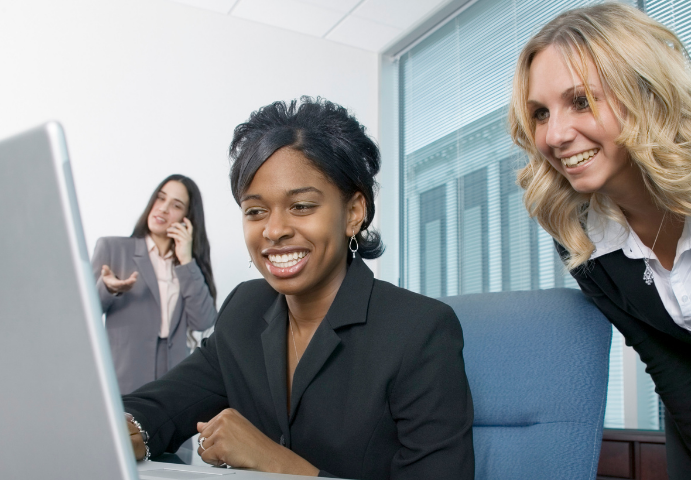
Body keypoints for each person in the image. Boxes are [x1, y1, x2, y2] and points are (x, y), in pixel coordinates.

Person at [508, 3, 691, 479]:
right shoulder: (577, 231)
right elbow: (667, 361)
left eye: (580, 100)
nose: (555, 135)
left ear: (646, 92)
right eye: (540, 113)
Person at [122, 97, 474, 479]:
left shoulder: (419, 330)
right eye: (256, 211)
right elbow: (162, 405)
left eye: (301, 206)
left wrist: (274, 462)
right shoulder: (245, 308)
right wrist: (133, 428)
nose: (274, 230)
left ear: (353, 213)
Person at [92, 174, 218, 395]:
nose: (164, 208)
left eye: (176, 205)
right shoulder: (112, 249)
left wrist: (186, 261)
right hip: (123, 382)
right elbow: (83, 316)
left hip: (173, 383)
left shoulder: (188, 266)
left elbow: (203, 321)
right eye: (160, 198)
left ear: (187, 219)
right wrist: (108, 288)